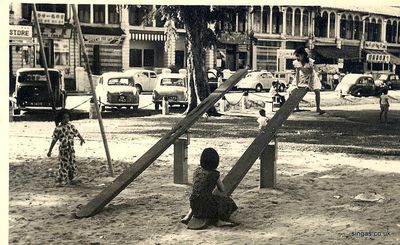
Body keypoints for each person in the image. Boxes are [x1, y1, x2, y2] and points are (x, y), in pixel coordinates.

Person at [181, 148, 238, 227]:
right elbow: (222, 189)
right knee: (227, 202)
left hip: (193, 203)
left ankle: (188, 216)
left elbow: (198, 186)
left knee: (197, 196)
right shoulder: (214, 174)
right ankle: (218, 220)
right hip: (205, 205)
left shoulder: (197, 171)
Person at [47, 109, 85, 186]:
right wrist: (50, 150)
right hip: (63, 150)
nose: (66, 119)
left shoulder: (71, 126)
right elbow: (54, 139)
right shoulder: (58, 128)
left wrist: (81, 139)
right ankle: (61, 179)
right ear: (61, 118)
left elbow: (77, 133)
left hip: (71, 149)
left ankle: (72, 178)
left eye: (67, 118)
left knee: (72, 163)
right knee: (64, 164)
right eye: (64, 118)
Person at [293, 47, 325, 115]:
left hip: (312, 77)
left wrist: (308, 85)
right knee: (294, 90)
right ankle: (297, 107)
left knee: (317, 91)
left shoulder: (310, 62)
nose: (297, 58)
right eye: (296, 56)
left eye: (298, 56)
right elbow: (297, 74)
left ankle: (318, 108)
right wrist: (296, 84)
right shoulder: (297, 63)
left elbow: (311, 74)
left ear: (303, 55)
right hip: (303, 76)